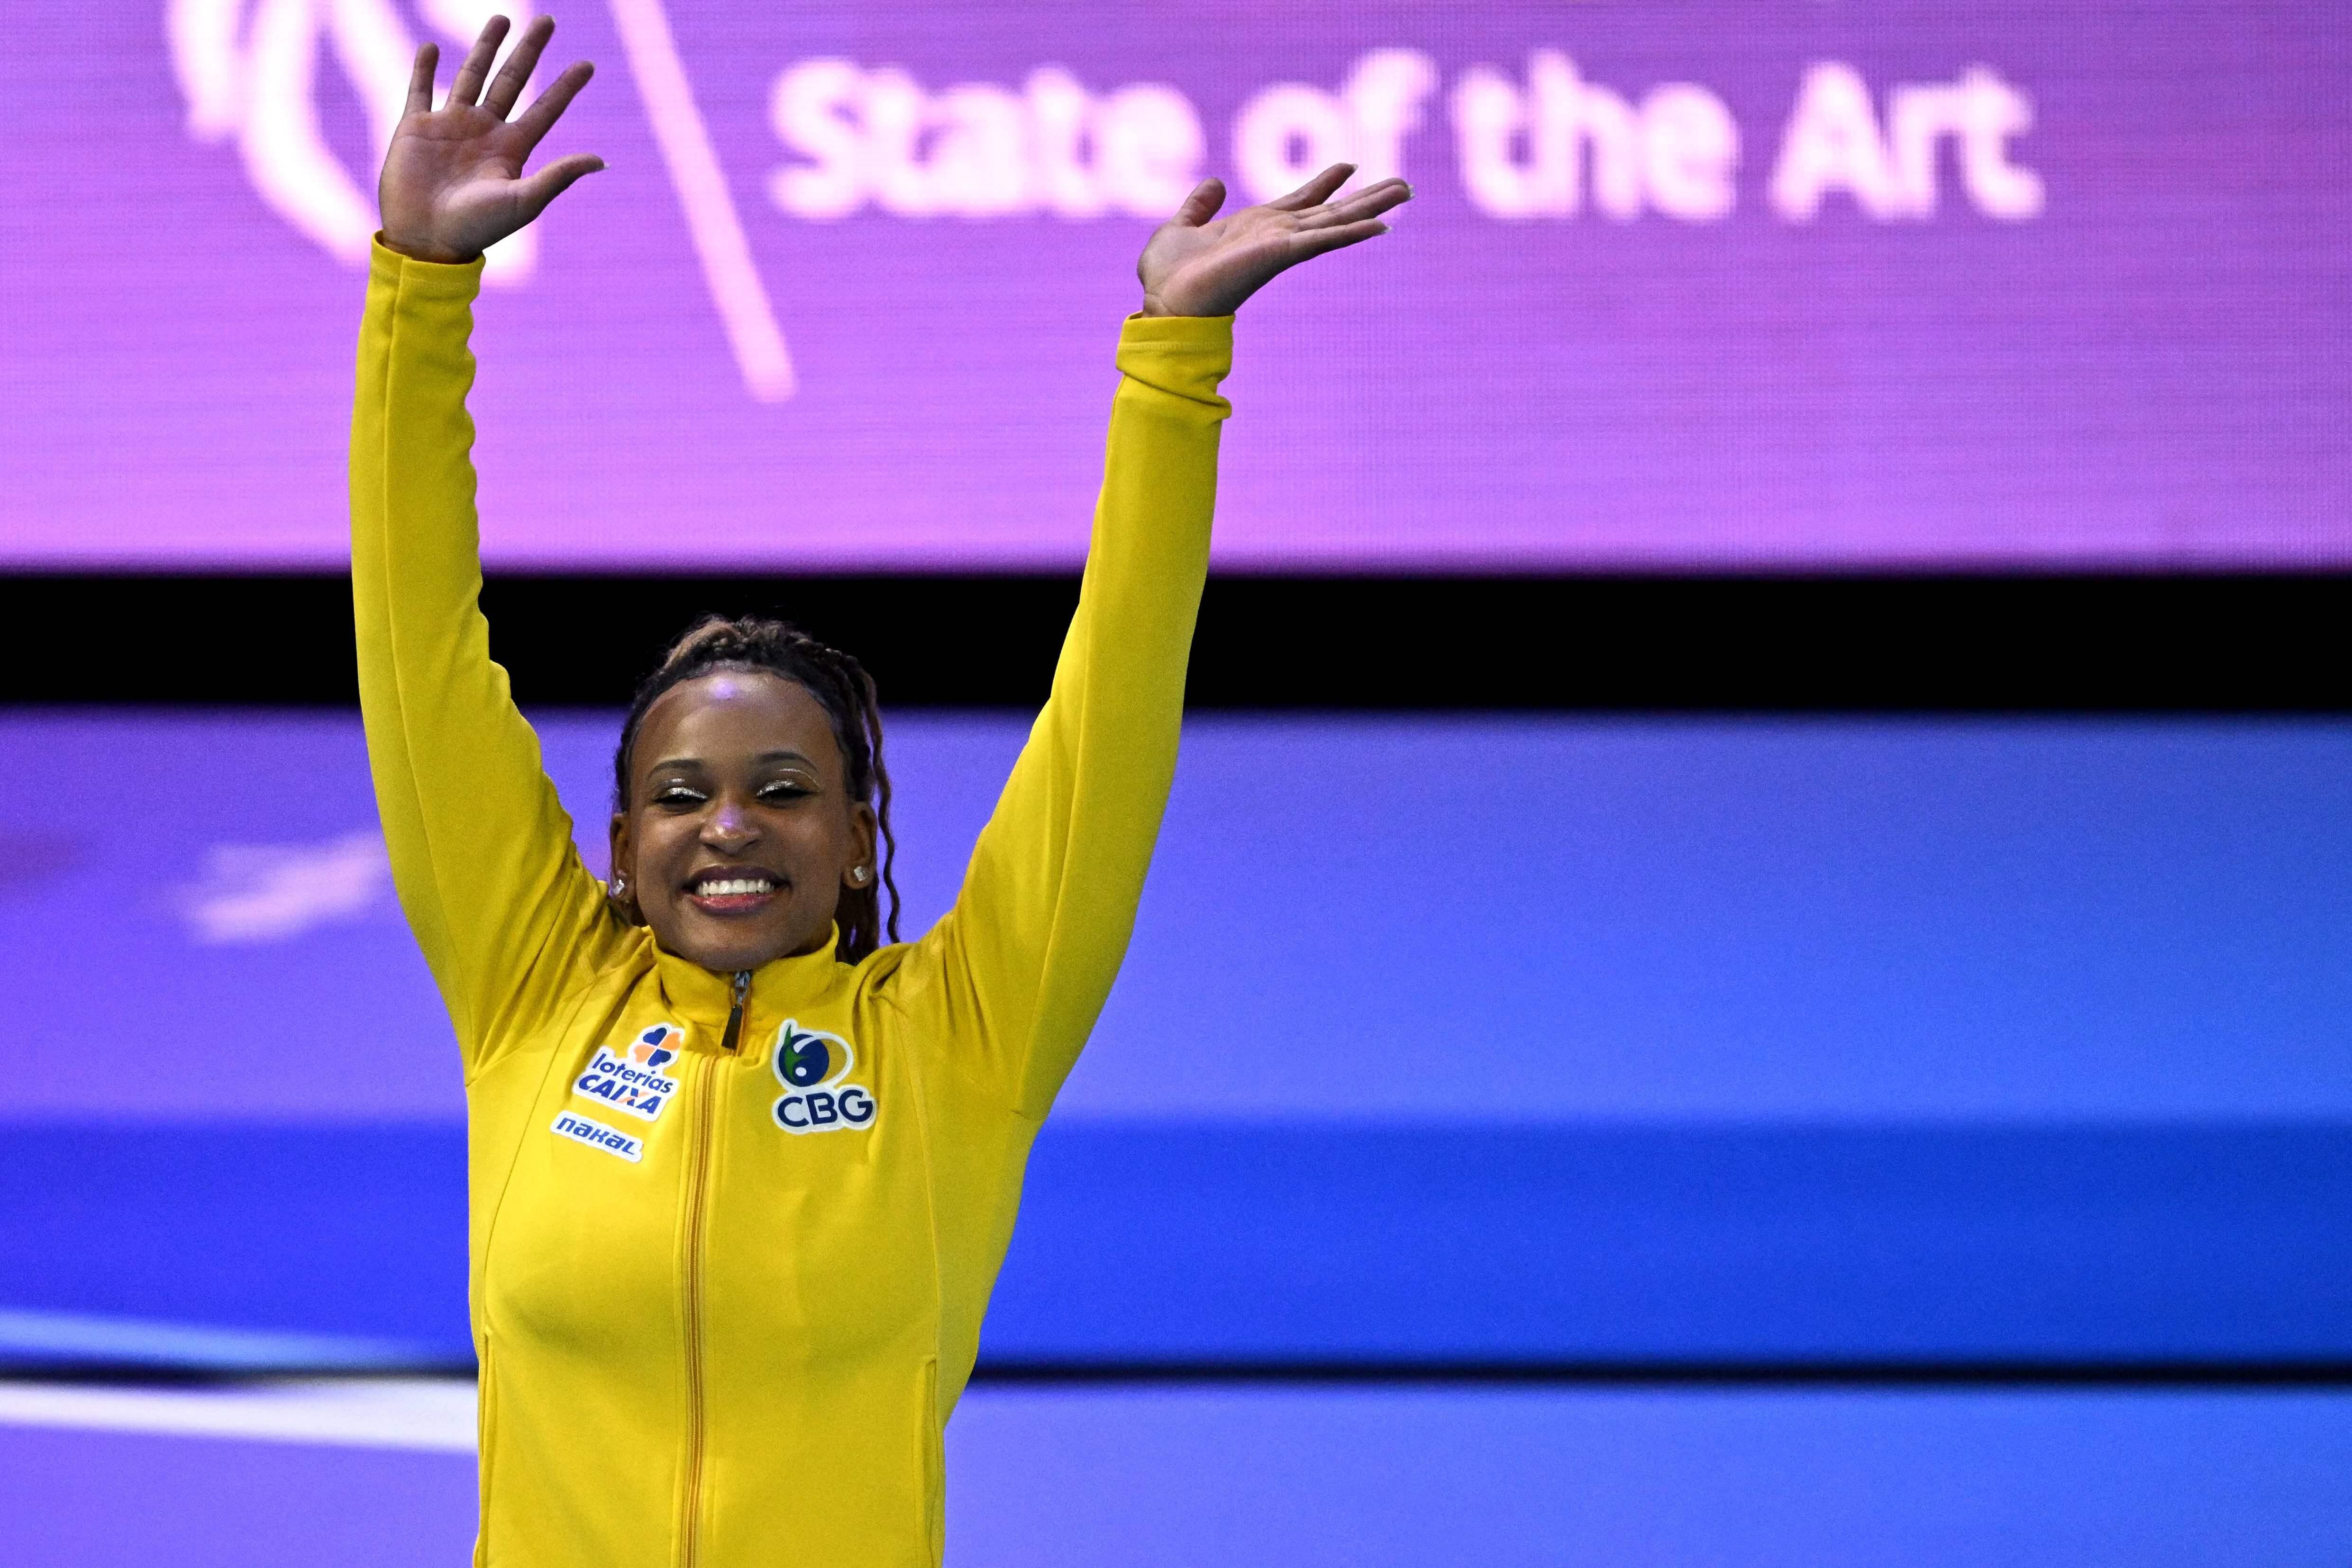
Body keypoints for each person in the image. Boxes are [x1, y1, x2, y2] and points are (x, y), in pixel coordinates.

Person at [354, 14, 1409, 1565]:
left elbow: (1109, 714)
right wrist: (418, 290)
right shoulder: (533, 993)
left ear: (857, 838)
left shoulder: (960, 1041)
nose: (727, 823)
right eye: (682, 793)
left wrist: (1173, 365)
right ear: (622, 840)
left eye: (782, 788)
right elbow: (416, 646)